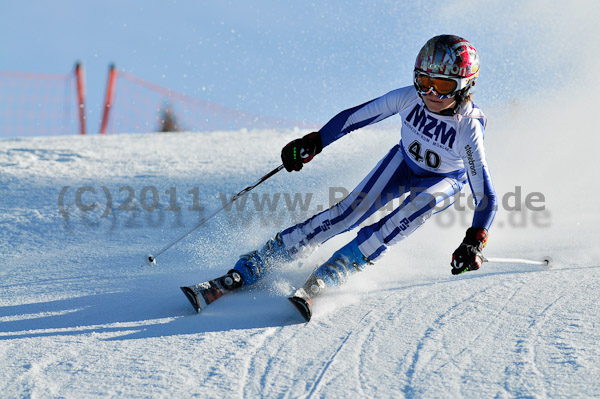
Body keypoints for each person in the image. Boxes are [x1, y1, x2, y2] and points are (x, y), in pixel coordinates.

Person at [212, 34, 496, 321]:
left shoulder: (468, 127)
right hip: (404, 163)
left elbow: (485, 195)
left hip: (442, 180)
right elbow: (355, 117)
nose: (432, 93)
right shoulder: (409, 98)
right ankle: (266, 258)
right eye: (425, 82)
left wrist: (475, 238)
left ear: (465, 85)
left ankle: (337, 269)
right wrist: (314, 142)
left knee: (404, 217)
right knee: (348, 212)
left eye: (444, 86)